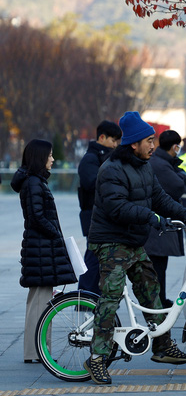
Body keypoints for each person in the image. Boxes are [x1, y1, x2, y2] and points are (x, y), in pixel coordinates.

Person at [85, 111, 186, 385]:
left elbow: (159, 198)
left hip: (133, 241)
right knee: (110, 298)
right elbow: (116, 207)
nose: (153, 145)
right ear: (133, 143)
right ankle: (96, 358)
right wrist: (149, 217)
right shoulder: (111, 169)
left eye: (153, 140)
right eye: (148, 140)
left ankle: (162, 347)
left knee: (151, 291)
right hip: (109, 240)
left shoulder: (145, 166)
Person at [12, 139, 77, 363]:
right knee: (40, 301)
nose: (53, 159)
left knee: (40, 300)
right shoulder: (33, 183)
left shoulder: (35, 182)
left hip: (39, 247)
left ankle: (39, 350)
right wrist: (56, 235)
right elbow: (37, 217)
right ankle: (36, 351)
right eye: (49, 155)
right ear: (40, 158)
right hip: (39, 247)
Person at [77, 120, 122, 295]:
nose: (116, 145)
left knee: (100, 257)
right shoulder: (90, 159)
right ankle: (85, 295)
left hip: (102, 216)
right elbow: (92, 184)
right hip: (93, 216)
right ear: (102, 137)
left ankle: (93, 296)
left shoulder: (105, 157)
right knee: (93, 257)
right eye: (113, 140)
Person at [146, 129, 186, 308]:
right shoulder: (160, 164)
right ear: (174, 147)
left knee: (159, 268)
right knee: (157, 268)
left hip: (158, 225)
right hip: (157, 227)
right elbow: (178, 186)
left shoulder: (161, 161)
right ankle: (158, 303)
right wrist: (182, 174)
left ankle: (160, 301)